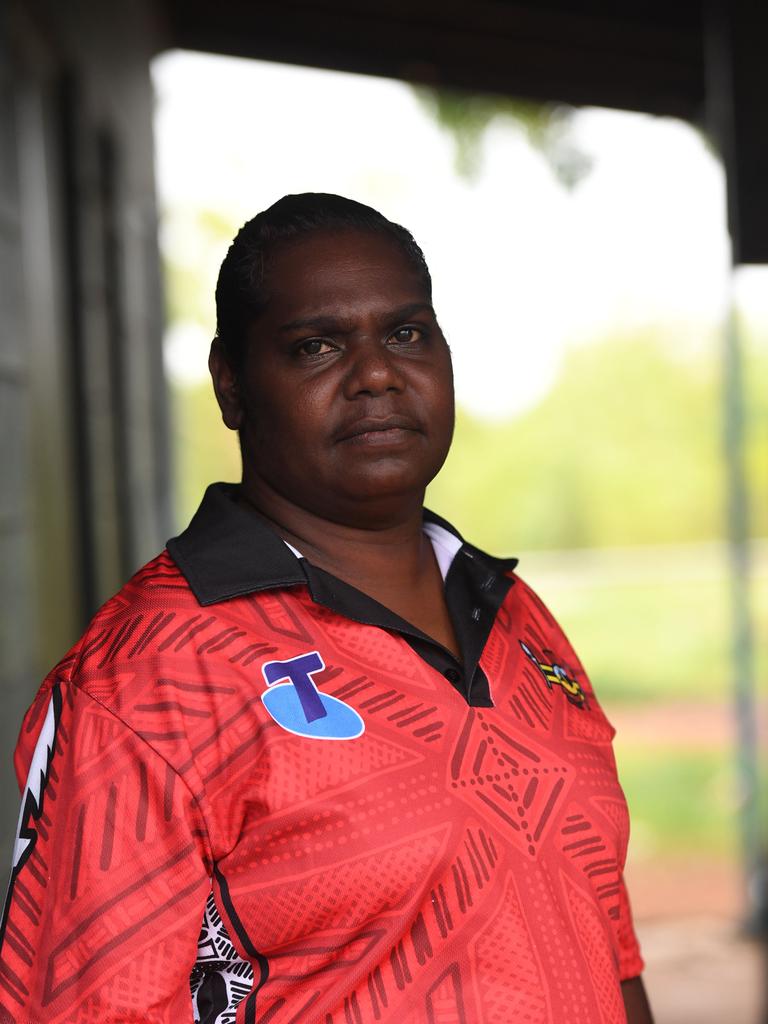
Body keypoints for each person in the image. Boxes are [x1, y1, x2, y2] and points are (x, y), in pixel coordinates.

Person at [0, 194, 653, 1023]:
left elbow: (606, 947)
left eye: (407, 333)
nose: (378, 373)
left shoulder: (517, 619)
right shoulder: (146, 677)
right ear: (231, 385)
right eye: (316, 346)